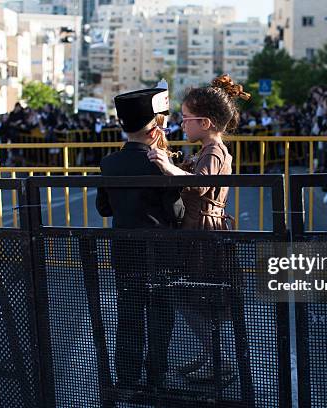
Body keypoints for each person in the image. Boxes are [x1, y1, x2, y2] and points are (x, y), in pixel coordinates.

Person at [148, 74, 250, 382]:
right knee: (197, 299)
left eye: (186, 118)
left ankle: (220, 358)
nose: (182, 123)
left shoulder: (215, 151)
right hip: (200, 229)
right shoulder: (209, 149)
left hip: (204, 233)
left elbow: (199, 186)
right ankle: (212, 355)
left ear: (205, 123)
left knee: (192, 298)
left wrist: (167, 166)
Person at [96, 87, 184, 391]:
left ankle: (127, 377)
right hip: (161, 252)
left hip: (125, 250)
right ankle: (156, 376)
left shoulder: (109, 163)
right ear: (154, 127)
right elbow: (176, 211)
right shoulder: (158, 163)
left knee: (129, 315)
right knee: (160, 317)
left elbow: (103, 208)